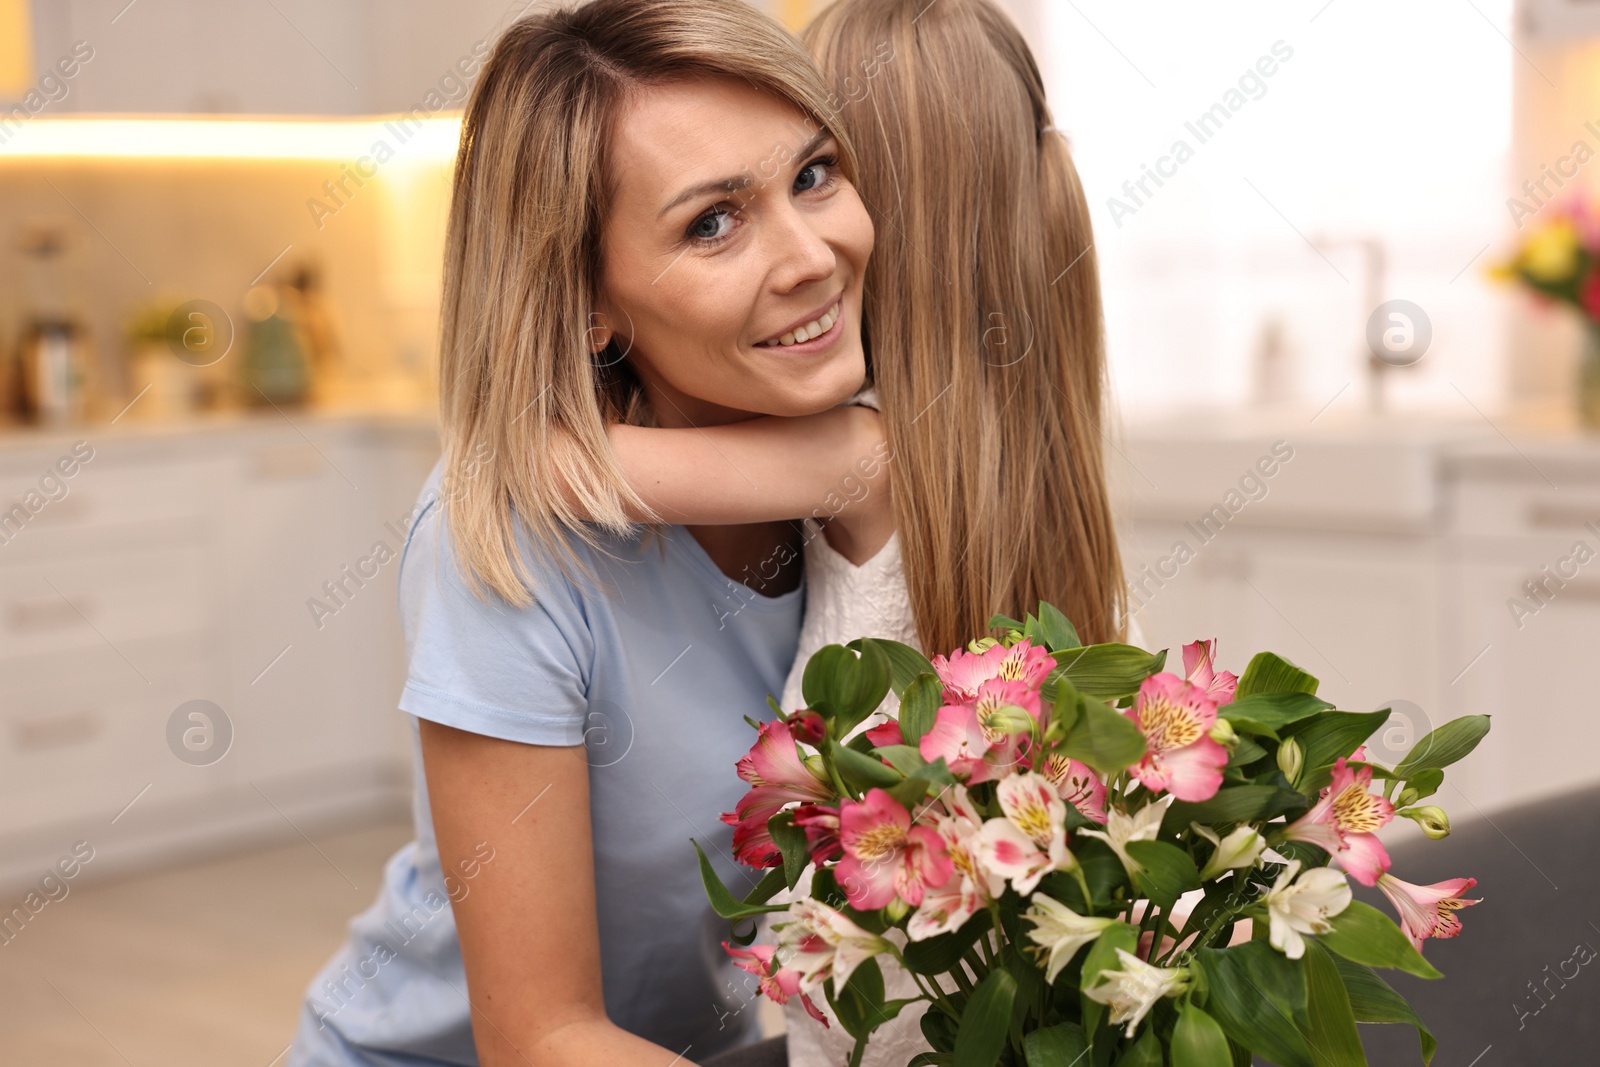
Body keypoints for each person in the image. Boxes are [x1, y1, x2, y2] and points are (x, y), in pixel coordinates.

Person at [285, 2, 888, 1064]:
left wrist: (858, 459)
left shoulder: (851, 477)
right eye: (712, 222)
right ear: (589, 303)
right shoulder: (512, 544)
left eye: (812, 174)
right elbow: (542, 1034)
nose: (810, 255)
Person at [571, 2, 1127, 1064]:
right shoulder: (1021, 458)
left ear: (883, 220)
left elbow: (550, 467)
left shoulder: (859, 456)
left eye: (814, 174)